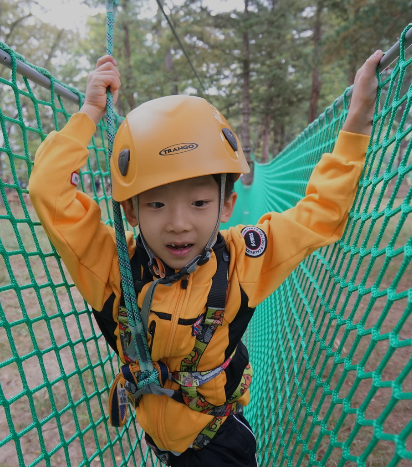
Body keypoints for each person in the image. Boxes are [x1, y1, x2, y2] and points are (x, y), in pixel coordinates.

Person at [29, 51, 382, 466]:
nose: (179, 224)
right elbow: (47, 190)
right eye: (156, 204)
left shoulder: (244, 259)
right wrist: (89, 112)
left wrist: (357, 118)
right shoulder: (113, 266)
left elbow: (321, 213)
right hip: (163, 446)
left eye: (199, 202)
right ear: (130, 211)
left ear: (227, 205)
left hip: (219, 446)